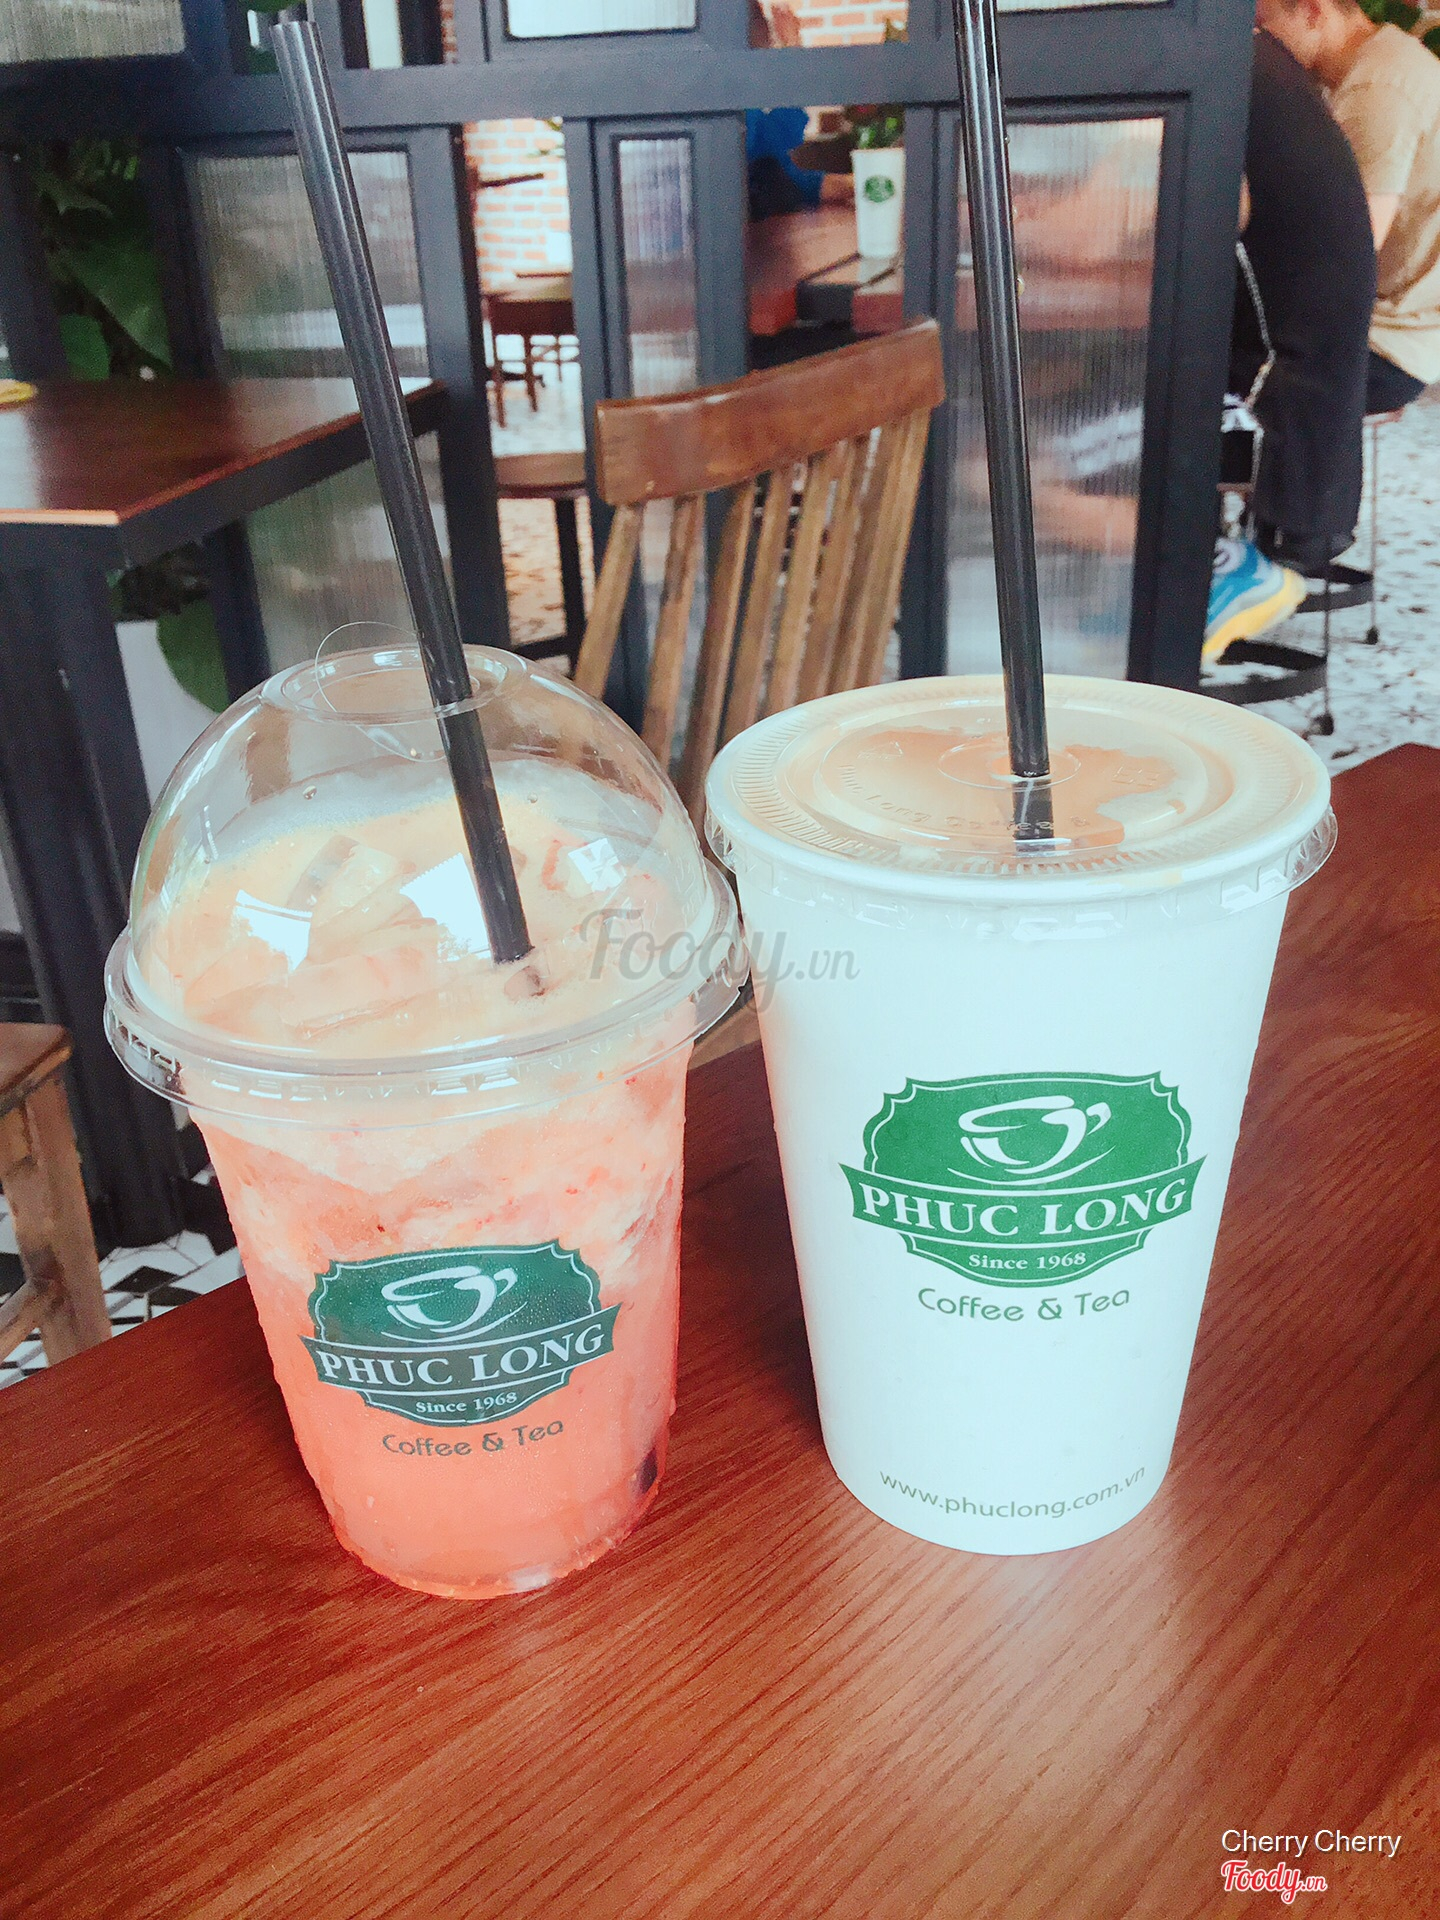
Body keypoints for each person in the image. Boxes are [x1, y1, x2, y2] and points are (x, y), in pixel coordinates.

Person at [1206, 26, 1377, 660]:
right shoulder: (1249, 59)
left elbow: (1107, 226)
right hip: (1322, 371)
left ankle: (1206, 568)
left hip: (1287, 386)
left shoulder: (1206, 60)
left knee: (1055, 423)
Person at [1255, 0, 1440, 411]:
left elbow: (1346, 256)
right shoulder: (1378, 61)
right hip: (1397, 328)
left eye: (1263, 23)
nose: (1258, 41)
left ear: (1312, 11)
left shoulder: (1378, 88)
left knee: (1196, 355)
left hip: (1386, 345)